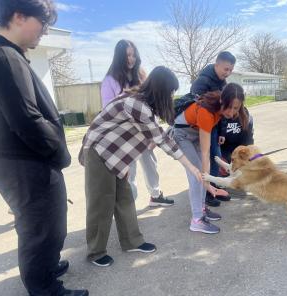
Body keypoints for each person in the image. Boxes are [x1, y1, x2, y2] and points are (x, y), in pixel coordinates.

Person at [0, 1, 89, 296]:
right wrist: (59, 151)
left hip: (20, 160)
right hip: (25, 162)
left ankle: (45, 267)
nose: (45, 32)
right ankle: (44, 290)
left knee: (48, 221)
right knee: (40, 226)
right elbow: (27, 119)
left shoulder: (8, 53)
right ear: (19, 16)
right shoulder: (4, 56)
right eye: (43, 24)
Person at [79, 66, 202, 266]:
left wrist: (124, 164)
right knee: (101, 203)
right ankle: (96, 252)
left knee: (125, 198)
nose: (171, 96)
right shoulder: (137, 104)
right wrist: (192, 167)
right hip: (99, 152)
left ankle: (131, 241)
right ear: (161, 90)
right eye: (170, 91)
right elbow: (161, 139)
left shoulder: (143, 104)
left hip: (115, 155)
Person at [101, 39, 174, 207]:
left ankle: (155, 195)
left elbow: (152, 102)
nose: (131, 59)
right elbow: (108, 112)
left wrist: (153, 133)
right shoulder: (109, 81)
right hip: (124, 135)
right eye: (127, 55)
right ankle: (129, 205)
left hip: (144, 132)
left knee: (150, 163)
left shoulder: (141, 75)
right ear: (119, 56)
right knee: (129, 171)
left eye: (134, 55)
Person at [173, 83, 245, 234]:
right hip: (183, 135)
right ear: (222, 100)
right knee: (197, 176)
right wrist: (207, 183)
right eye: (230, 107)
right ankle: (197, 220)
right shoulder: (207, 112)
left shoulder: (220, 109)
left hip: (195, 133)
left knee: (202, 173)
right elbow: (206, 153)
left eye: (236, 108)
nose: (232, 113)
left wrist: (207, 182)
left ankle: (202, 209)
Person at [190, 51, 236, 207]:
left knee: (216, 157)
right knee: (207, 158)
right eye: (225, 69)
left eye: (231, 70)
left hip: (215, 127)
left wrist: (222, 131)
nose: (228, 73)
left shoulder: (223, 84)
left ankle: (213, 189)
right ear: (216, 65)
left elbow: (223, 110)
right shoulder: (202, 81)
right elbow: (194, 105)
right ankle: (207, 193)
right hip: (201, 128)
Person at [219, 93, 254, 163]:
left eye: (235, 108)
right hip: (223, 152)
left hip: (239, 153)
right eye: (229, 106)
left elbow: (248, 141)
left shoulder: (247, 118)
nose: (231, 111)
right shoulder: (220, 116)